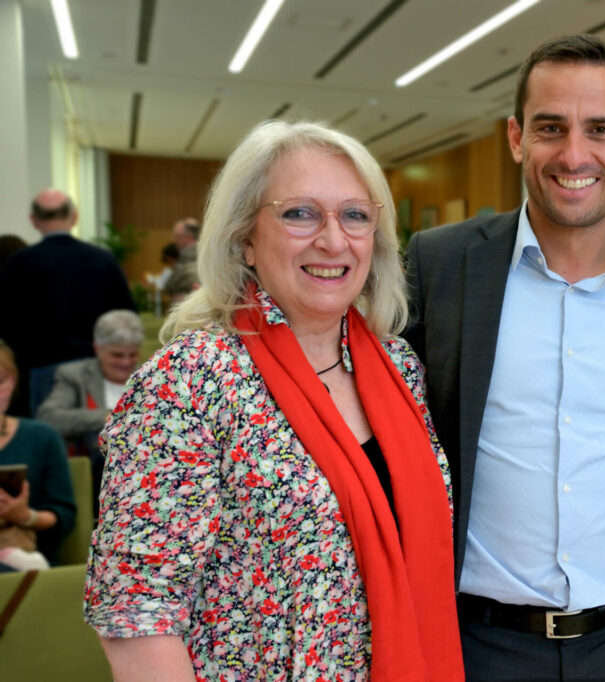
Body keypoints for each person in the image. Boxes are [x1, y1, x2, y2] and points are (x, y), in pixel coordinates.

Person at [84, 121, 462, 681]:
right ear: (245, 239)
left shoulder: (399, 368)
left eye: (355, 215)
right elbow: (139, 613)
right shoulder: (188, 381)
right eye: (300, 213)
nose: (334, 240)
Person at [404, 34, 605, 681]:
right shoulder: (441, 265)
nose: (574, 154)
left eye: (601, 129)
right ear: (516, 137)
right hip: (477, 644)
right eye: (550, 127)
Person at [0, 190, 135, 416]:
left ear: (34, 221)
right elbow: (126, 317)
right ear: (74, 217)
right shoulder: (102, 259)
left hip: (38, 368)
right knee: (94, 438)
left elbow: (5, 322)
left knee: (47, 439)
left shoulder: (18, 264)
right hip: (93, 368)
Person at [36, 309, 144, 514]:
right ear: (97, 348)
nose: (126, 362)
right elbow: (48, 419)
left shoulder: (148, 376)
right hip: (91, 475)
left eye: (132, 354)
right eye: (117, 354)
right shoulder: (74, 376)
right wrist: (109, 416)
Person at [0, 340, 75, 571]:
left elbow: (63, 514)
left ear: (12, 382)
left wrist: (24, 516)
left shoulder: (42, 438)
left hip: (22, 558)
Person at [162, 218, 200, 300]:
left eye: (178, 236)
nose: (175, 240)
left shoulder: (186, 257)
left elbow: (170, 286)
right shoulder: (203, 252)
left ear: (188, 237)